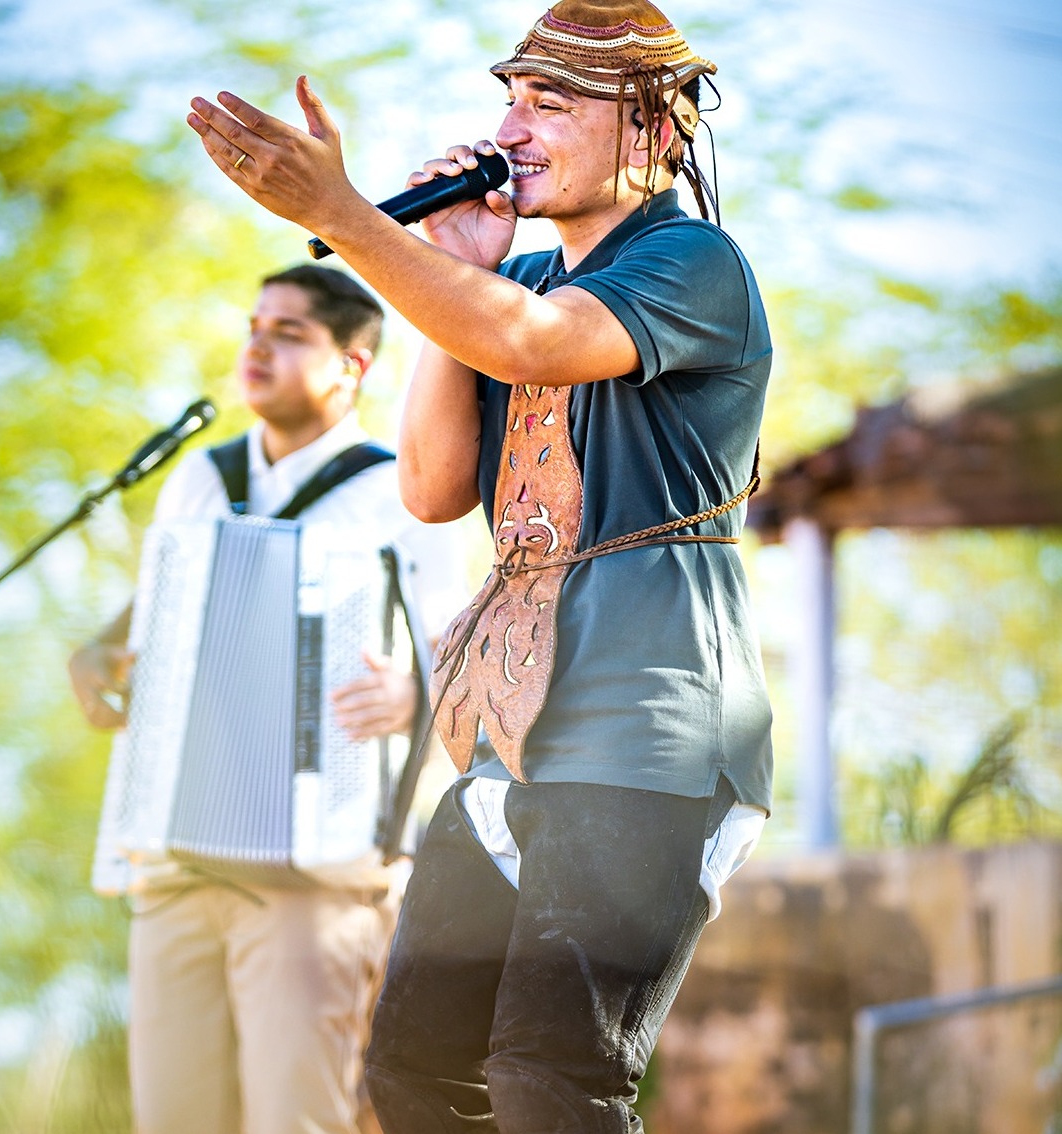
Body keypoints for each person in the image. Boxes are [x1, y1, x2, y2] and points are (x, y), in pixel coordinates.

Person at [186, 1, 773, 1128]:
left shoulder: (693, 260)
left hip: (648, 729)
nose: (511, 128)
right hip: (512, 731)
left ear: (652, 130)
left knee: (552, 1078)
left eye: (550, 103)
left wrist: (347, 217)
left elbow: (529, 342)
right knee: (412, 1071)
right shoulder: (517, 281)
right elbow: (432, 485)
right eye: (510, 99)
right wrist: (448, 269)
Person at [69, 263, 467, 1134]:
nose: (258, 347)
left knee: (297, 1119)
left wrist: (416, 694)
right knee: (173, 1120)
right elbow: (154, 619)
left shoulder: (403, 490)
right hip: (175, 862)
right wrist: (100, 657)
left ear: (352, 365)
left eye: (289, 333)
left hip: (319, 873)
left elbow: (464, 662)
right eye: (254, 328)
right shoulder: (201, 478)